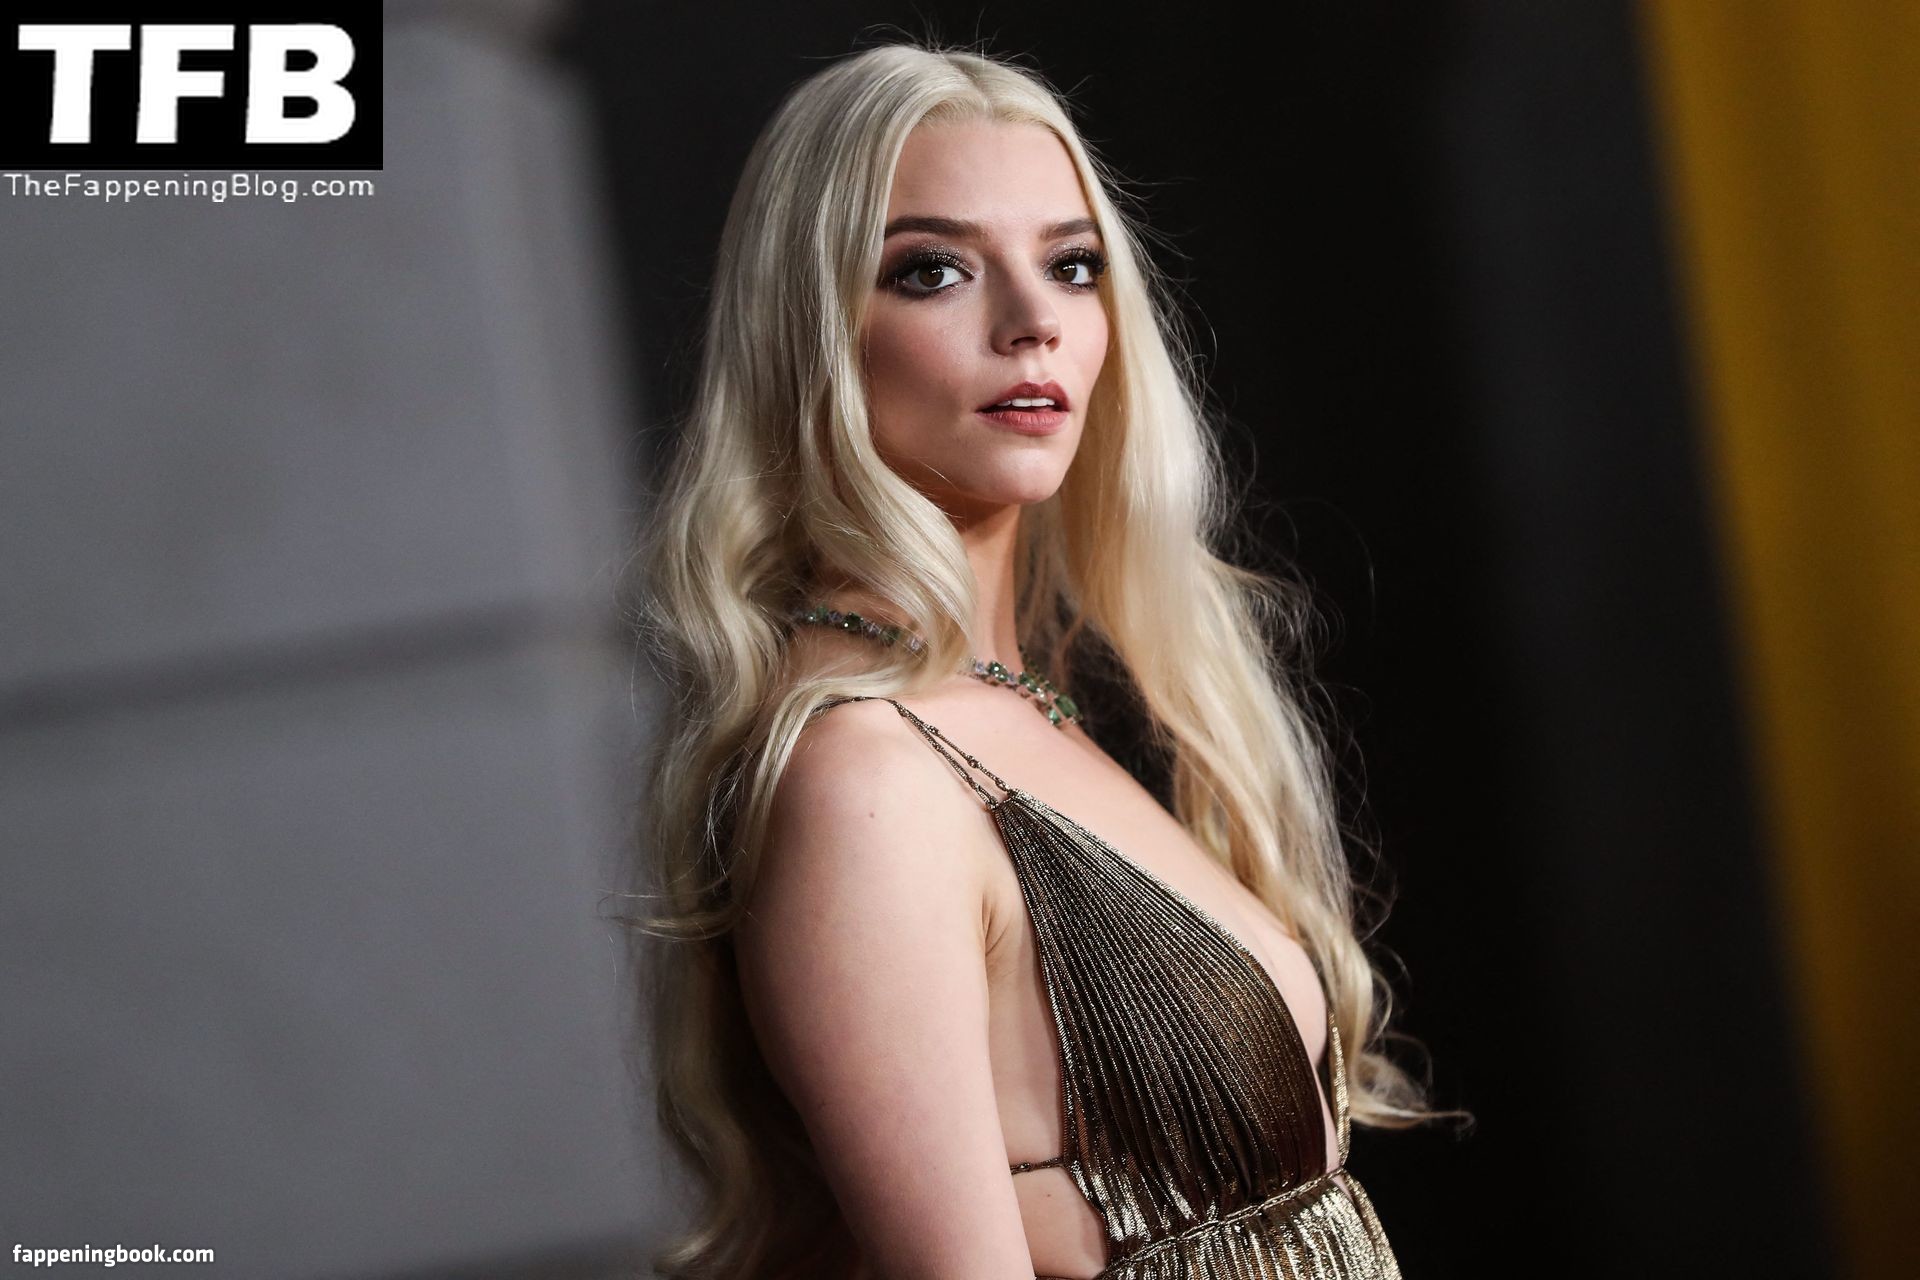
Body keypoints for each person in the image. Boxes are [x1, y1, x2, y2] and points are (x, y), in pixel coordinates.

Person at [620, 38, 1459, 1280]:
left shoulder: (1006, 704)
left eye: (1071, 265)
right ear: (812, 330)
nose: (1033, 325)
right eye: (934, 269)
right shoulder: (867, 778)